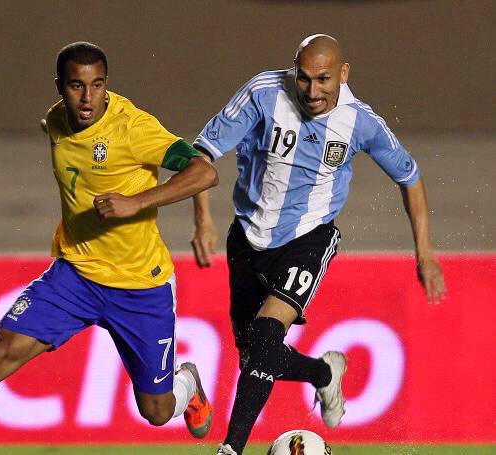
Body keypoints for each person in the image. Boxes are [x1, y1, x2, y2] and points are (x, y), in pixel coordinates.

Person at [0, 41, 219, 455]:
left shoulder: (133, 129)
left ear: (107, 84)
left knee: (157, 411)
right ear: (59, 87)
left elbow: (203, 171)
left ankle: (188, 383)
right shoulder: (56, 120)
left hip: (139, 286)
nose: (87, 97)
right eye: (76, 86)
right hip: (76, 275)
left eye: (97, 85)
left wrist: (138, 202)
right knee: (3, 350)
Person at [189, 34, 447, 455]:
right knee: (255, 357)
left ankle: (230, 449)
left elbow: (410, 178)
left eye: (323, 79)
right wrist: (203, 219)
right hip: (247, 237)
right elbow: (201, 153)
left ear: (343, 74)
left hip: (308, 237)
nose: (312, 91)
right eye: (304, 78)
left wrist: (425, 252)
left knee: (266, 337)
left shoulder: (360, 122)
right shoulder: (263, 93)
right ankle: (323, 374)